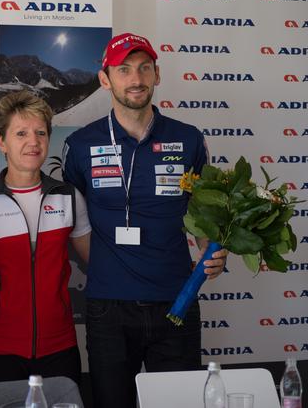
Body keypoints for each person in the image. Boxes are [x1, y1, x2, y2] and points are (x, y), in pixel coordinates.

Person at [63, 32, 227, 408]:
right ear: (105, 80)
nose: (135, 79)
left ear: (157, 75)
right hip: (108, 307)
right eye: (124, 70)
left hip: (175, 302)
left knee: (178, 404)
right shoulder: (81, 145)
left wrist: (211, 252)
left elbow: (202, 212)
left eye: (144, 68)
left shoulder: (188, 140)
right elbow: (72, 220)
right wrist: (109, 263)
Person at [0, 91, 92, 389]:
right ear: (1, 141)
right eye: (21, 133)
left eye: (41, 132)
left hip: (59, 349)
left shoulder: (68, 196)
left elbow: (98, 262)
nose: (33, 141)